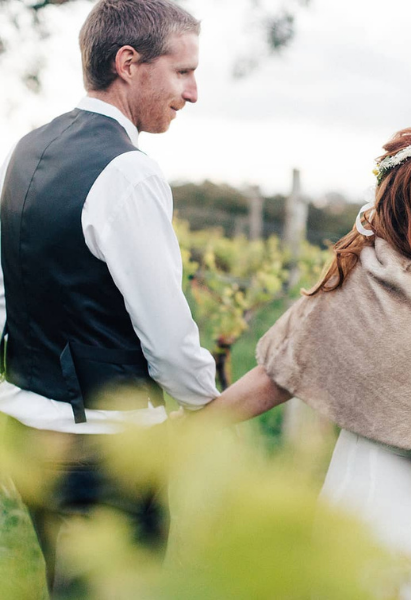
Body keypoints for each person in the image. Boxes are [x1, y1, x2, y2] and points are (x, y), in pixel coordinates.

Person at [192, 126, 411, 599]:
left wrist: (188, 427)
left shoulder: (366, 274)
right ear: (402, 213)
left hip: (350, 492)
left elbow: (280, 373)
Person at [0, 0, 219, 594]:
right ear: (129, 62)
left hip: (26, 426)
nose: (193, 92)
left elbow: (11, 285)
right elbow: (169, 339)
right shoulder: (128, 172)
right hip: (105, 448)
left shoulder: (27, 147)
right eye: (183, 71)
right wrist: (208, 404)